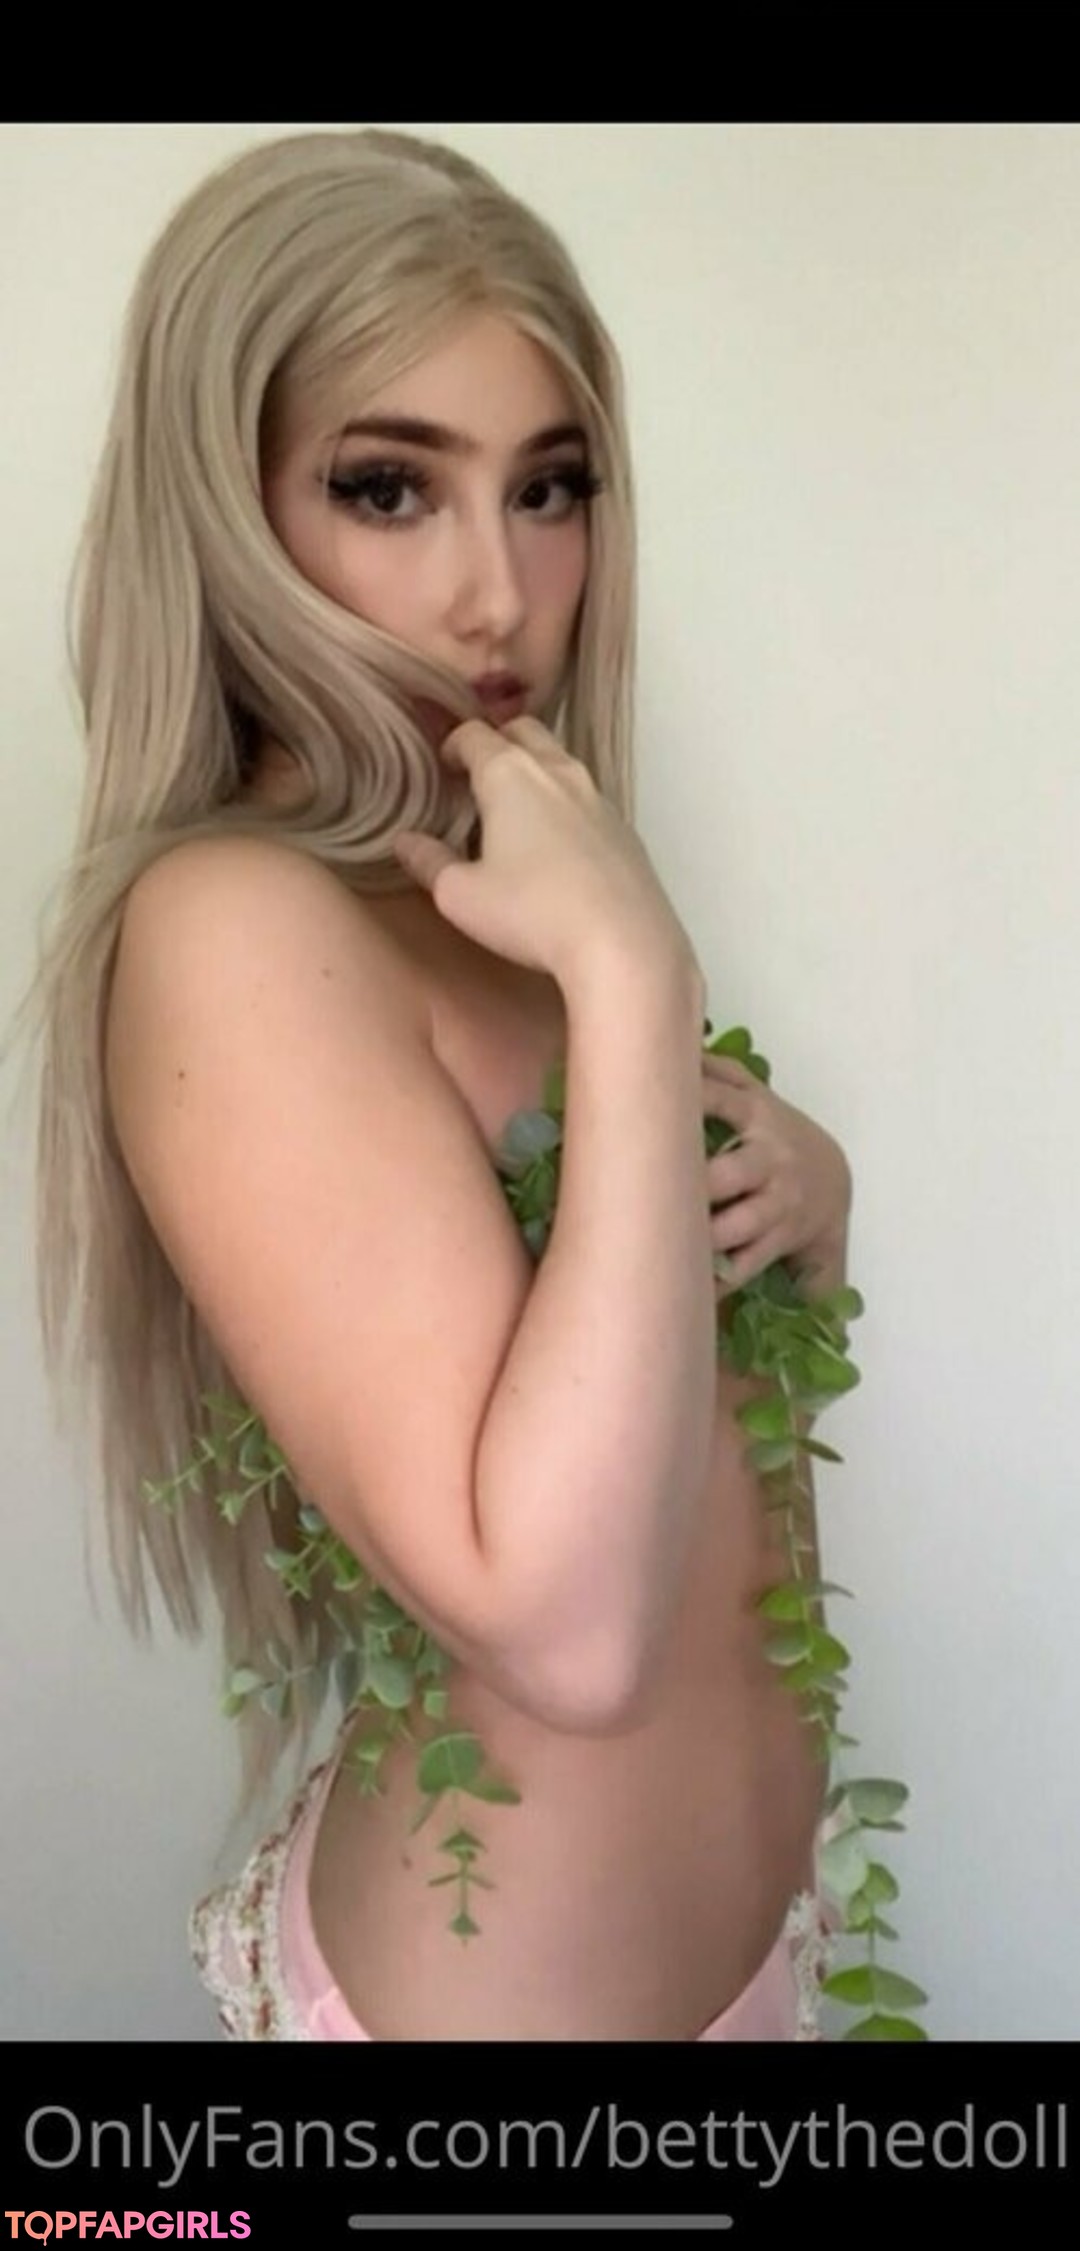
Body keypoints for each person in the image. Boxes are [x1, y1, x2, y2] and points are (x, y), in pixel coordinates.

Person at [29, 128, 853, 2041]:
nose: (498, 592)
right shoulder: (237, 926)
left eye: (548, 488)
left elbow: (664, 1444)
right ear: (227, 505)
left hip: (764, 1975)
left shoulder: (493, 887)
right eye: (391, 487)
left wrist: (803, 1208)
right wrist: (640, 982)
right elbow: (570, 1625)